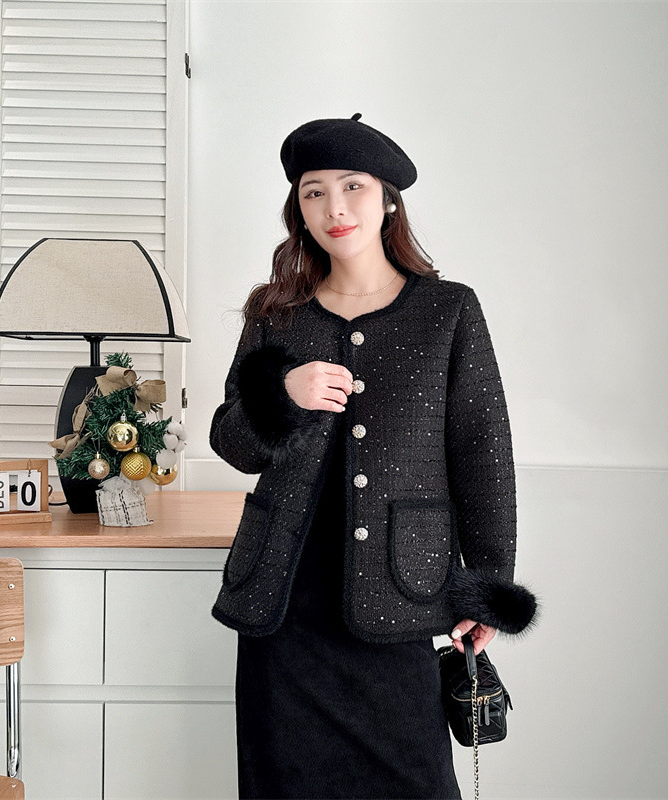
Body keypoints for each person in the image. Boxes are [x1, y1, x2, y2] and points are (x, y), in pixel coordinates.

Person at [209, 113, 540, 800]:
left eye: (352, 186)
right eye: (314, 192)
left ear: (387, 198)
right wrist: (283, 395)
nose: (335, 208)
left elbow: (482, 453)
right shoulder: (275, 313)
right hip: (284, 606)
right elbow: (231, 442)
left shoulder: (447, 311)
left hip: (401, 597)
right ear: (298, 210)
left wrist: (487, 585)